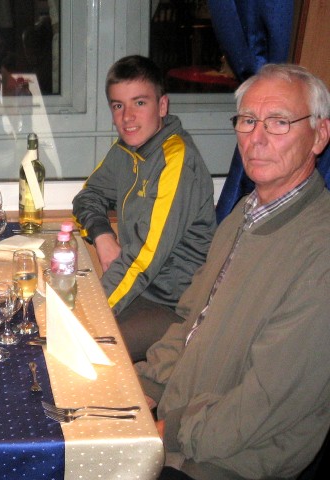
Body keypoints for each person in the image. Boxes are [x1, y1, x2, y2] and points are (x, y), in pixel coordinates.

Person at [136, 63, 330, 480]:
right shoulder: (244, 213)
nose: (257, 138)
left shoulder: (321, 251)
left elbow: (267, 401)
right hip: (183, 423)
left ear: (319, 135)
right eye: (247, 120)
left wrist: (165, 434)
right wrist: (146, 388)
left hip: (230, 461)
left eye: (279, 122)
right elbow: (189, 320)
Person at [72, 55, 216, 362]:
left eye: (139, 103)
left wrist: (89, 312)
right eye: (118, 105)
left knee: (83, 346)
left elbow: (142, 259)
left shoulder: (177, 162)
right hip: (138, 287)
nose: (127, 117)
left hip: (174, 306)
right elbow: (86, 197)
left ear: (162, 106)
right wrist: (102, 236)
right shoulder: (127, 150)